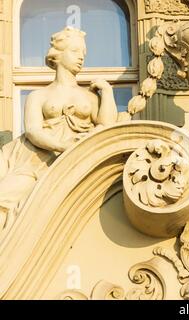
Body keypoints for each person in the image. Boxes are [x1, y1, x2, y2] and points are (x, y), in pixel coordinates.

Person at [0, 27, 119, 231]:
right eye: (75, 51)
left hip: (77, 162)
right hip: (37, 162)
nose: (81, 57)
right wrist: (63, 146)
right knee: (6, 196)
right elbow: (33, 131)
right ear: (58, 55)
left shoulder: (90, 97)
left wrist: (107, 92)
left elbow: (106, 127)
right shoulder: (38, 96)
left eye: (83, 52)